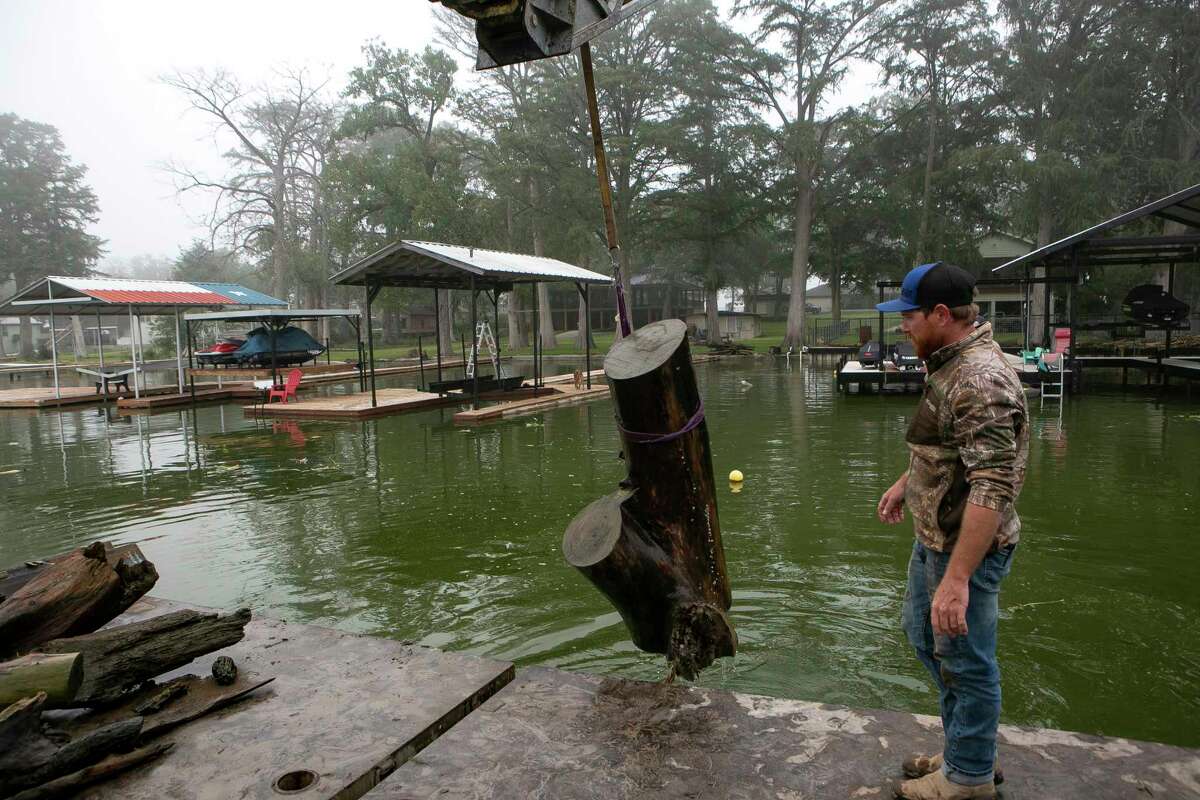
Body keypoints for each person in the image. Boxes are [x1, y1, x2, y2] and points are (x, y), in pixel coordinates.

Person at [875, 262, 1029, 800]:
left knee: (966, 659)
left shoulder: (977, 379)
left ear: (941, 314)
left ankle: (968, 778)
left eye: (909, 316)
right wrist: (906, 483)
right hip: (936, 536)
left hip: (967, 548)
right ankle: (970, 748)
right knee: (924, 637)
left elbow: (992, 483)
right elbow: (950, 450)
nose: (902, 327)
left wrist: (959, 578)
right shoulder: (950, 363)